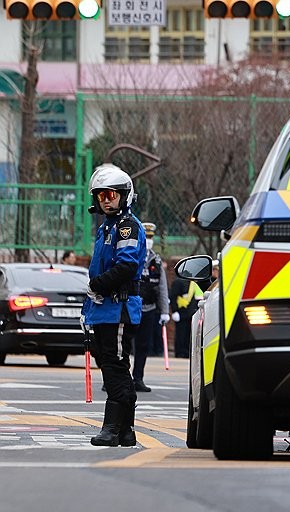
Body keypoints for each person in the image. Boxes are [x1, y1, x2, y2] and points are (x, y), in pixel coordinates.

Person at [83, 163, 147, 448]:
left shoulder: (126, 227)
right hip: (105, 308)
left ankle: (112, 428)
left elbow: (126, 266)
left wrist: (96, 286)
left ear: (124, 195)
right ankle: (125, 430)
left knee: (115, 367)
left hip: (118, 307)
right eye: (101, 195)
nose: (106, 199)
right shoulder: (107, 226)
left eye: (111, 194)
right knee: (113, 364)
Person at [131, 222, 168, 392]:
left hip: (149, 308)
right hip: (130, 307)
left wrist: (165, 312)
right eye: (146, 237)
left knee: (143, 346)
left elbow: (162, 286)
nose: (148, 240)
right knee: (123, 345)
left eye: (151, 237)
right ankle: (117, 378)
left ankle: (138, 378)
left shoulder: (156, 259)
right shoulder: (131, 255)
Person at [170, 273, 205, 358]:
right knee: (180, 334)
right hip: (181, 312)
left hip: (191, 312)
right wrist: (174, 310)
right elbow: (173, 296)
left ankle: (186, 352)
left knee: (188, 335)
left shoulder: (195, 283)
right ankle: (180, 352)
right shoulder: (178, 282)